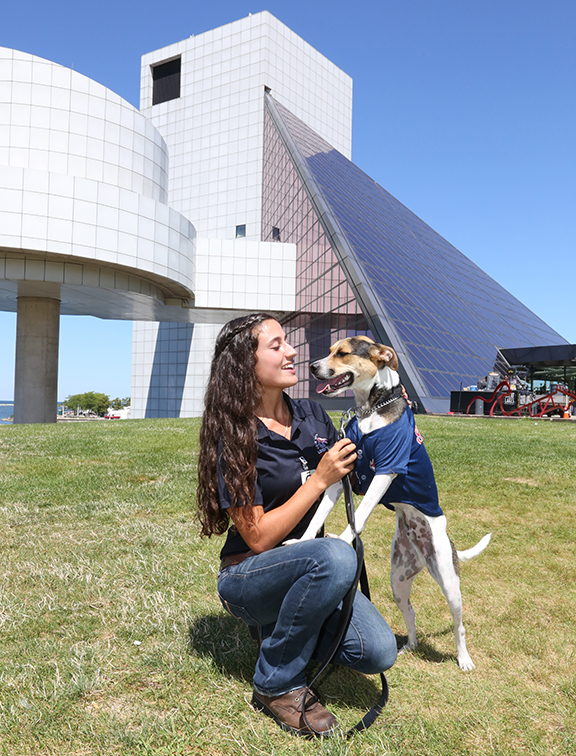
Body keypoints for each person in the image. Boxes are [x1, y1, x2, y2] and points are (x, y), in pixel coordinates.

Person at [196, 313, 397, 737]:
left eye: (287, 342)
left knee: (378, 651)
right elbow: (257, 536)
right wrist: (319, 479)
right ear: (244, 365)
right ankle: (276, 683)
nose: (292, 352)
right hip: (249, 575)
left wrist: (389, 441)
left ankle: (287, 624)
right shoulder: (235, 434)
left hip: (315, 567)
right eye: (276, 346)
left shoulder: (312, 415)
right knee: (336, 555)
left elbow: (353, 482)